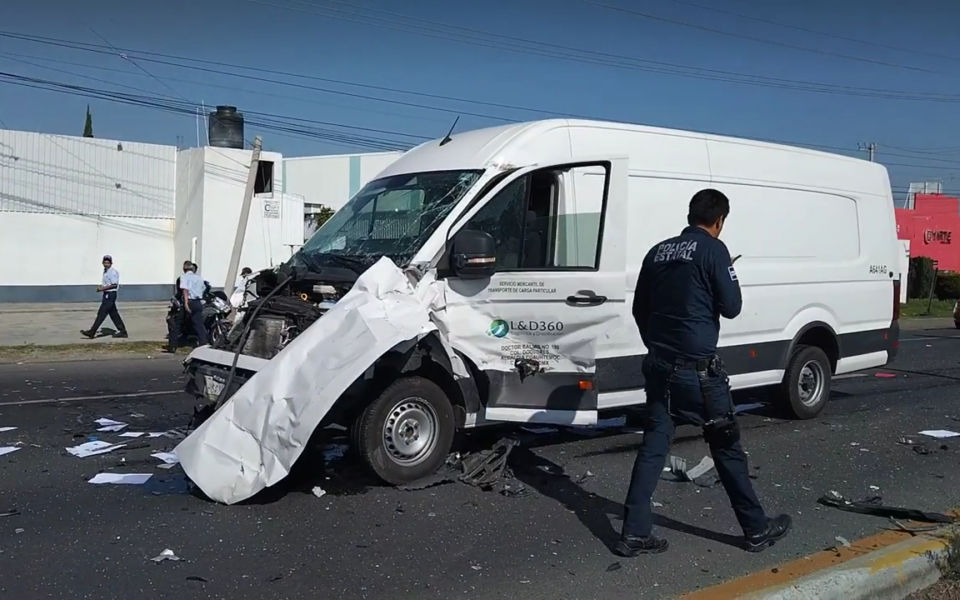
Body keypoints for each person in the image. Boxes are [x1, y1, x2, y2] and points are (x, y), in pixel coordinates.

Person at [617, 189, 791, 557]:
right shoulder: (715, 250)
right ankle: (756, 529)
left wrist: (658, 345)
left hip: (660, 368)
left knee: (653, 446)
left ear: (689, 214)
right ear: (719, 221)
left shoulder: (659, 251)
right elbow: (732, 307)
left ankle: (634, 531)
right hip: (698, 373)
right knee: (727, 447)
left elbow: (639, 308)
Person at [81, 255, 128, 339]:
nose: (106, 264)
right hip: (107, 294)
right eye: (105, 262)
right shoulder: (106, 271)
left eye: (108, 263)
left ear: (111, 263)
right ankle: (123, 331)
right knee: (114, 314)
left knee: (102, 314)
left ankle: (92, 332)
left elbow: (114, 285)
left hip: (110, 295)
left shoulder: (112, 272)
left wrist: (102, 288)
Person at [166, 260, 208, 352]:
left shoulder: (183, 277)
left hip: (189, 301)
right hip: (198, 302)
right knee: (199, 324)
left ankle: (172, 346)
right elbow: (203, 288)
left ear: (184, 269)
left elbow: (185, 290)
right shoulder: (199, 278)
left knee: (177, 324)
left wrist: (185, 303)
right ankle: (203, 343)